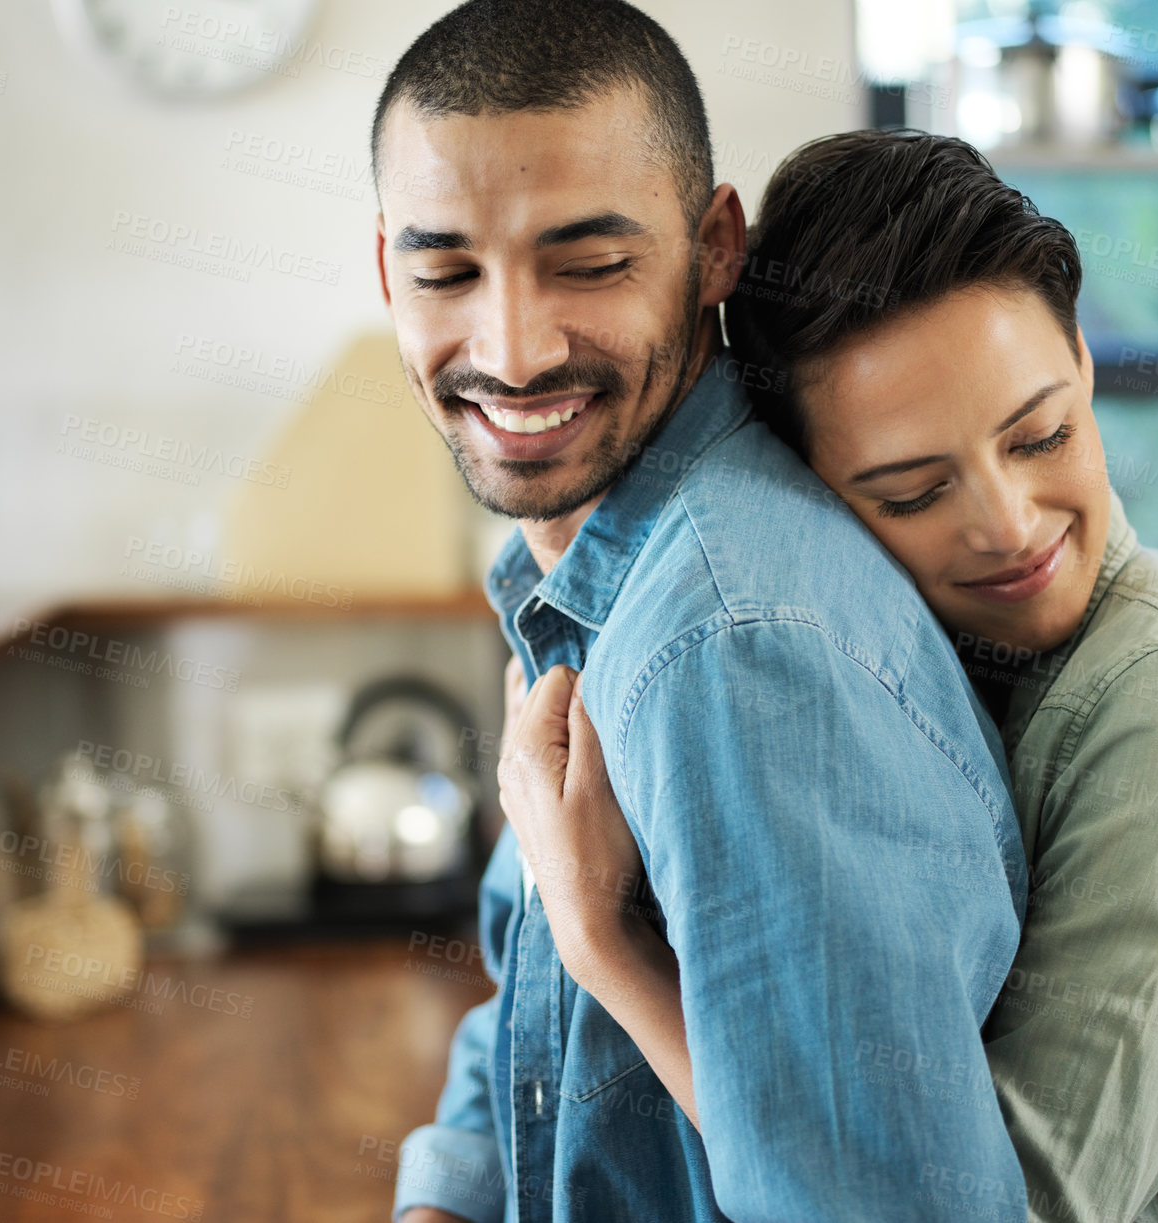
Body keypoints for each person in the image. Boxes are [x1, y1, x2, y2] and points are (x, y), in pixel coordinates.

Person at [499, 129, 1158, 1223]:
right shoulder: (897, 679)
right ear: (813, 499)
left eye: (1042, 434)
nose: (1010, 526)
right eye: (914, 493)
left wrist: (611, 948)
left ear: (1083, 358)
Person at [374, 6, 1033, 1222]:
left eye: (590, 263)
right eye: (447, 271)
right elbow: (531, 997)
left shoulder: (733, 649)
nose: (513, 352)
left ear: (715, 247)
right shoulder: (589, 576)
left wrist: (601, 946)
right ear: (386, 275)